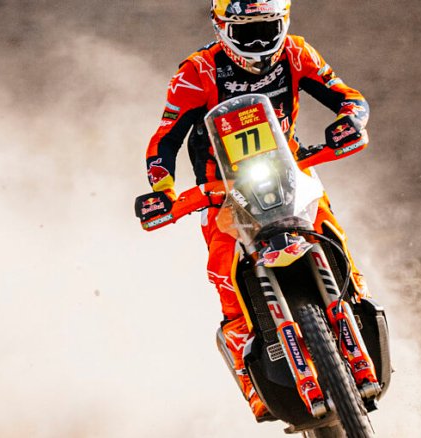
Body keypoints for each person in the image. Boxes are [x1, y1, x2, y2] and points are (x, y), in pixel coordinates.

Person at [142, 0, 370, 420]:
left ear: (284, 22)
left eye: (268, 29)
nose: (260, 43)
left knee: (330, 231)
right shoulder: (197, 72)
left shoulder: (297, 52)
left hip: (289, 172)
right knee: (224, 275)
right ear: (221, 27)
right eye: (248, 33)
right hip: (223, 191)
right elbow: (165, 140)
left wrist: (350, 120)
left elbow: (348, 96)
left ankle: (358, 306)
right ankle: (252, 380)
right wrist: (163, 190)